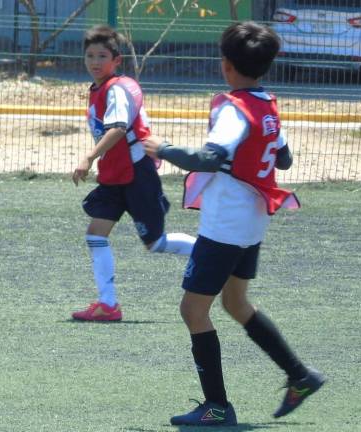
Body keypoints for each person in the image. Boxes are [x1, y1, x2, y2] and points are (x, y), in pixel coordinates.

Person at [143, 21, 325, 426]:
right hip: (253, 222)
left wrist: (163, 148)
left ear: (226, 65)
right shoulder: (267, 104)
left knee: (193, 309)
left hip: (225, 225)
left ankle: (217, 407)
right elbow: (284, 159)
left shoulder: (233, 108)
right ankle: (300, 375)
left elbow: (208, 158)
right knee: (236, 303)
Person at [71, 25, 195, 322]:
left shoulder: (118, 88)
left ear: (117, 60)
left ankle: (213, 252)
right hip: (115, 175)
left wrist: (88, 156)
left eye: (102, 55)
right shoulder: (101, 88)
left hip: (137, 175)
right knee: (95, 234)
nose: (95, 62)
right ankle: (108, 305)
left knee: (155, 243)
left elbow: (118, 128)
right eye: (90, 55)